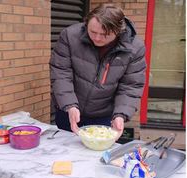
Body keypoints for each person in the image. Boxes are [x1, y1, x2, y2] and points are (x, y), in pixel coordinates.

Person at [50, 4, 146, 139]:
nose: (97, 38)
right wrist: (69, 105)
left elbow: (131, 85)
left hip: (103, 116)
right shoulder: (70, 36)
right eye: (93, 32)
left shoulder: (134, 48)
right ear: (86, 23)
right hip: (68, 111)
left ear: (118, 31)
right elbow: (61, 72)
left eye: (105, 35)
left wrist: (120, 115)